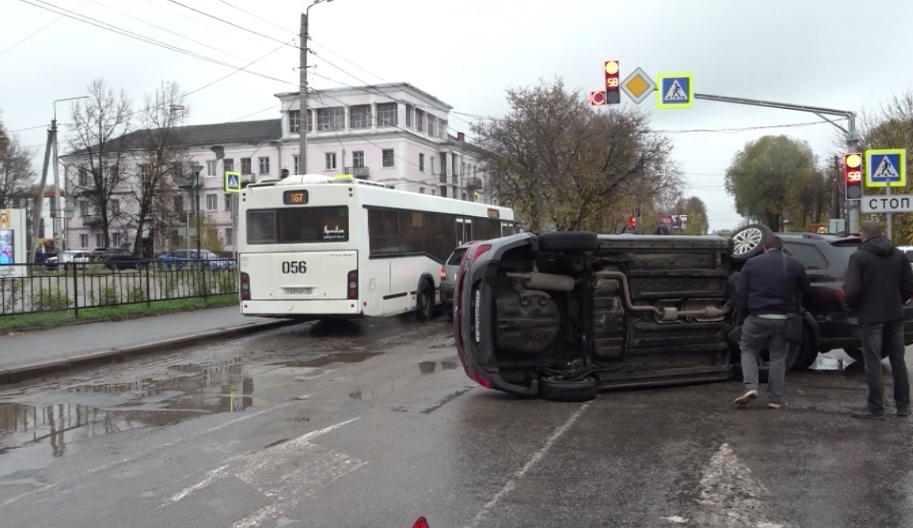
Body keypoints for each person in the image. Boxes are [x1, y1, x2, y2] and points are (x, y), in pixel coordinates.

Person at [842, 222, 913, 420]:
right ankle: (903, 406)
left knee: (872, 361)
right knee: (898, 361)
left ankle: (876, 408)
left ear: (863, 235)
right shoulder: (898, 255)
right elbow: (909, 284)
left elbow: (851, 289)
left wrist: (854, 307)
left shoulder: (859, 256)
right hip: (895, 315)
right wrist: (898, 301)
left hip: (870, 316)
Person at [734, 234, 810, 409]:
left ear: (763, 248)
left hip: (757, 317)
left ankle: (751, 387)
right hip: (784, 319)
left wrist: (746, 314)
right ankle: (774, 399)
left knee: (747, 349)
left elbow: (741, 292)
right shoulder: (794, 263)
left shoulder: (752, 264)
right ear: (782, 248)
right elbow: (806, 289)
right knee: (778, 357)